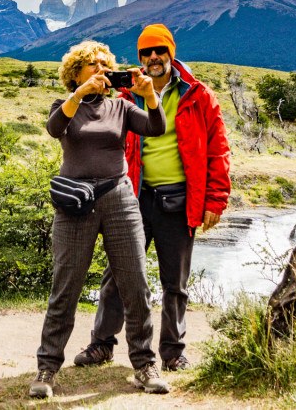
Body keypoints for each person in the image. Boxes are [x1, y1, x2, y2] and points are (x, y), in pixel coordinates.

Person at [74, 24, 231, 372]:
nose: (153, 58)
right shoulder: (128, 96)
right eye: (146, 52)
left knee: (175, 282)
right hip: (133, 198)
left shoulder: (198, 95)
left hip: (180, 201)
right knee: (118, 275)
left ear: (170, 53)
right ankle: (102, 344)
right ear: (140, 58)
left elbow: (218, 151)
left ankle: (173, 352)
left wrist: (214, 201)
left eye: (159, 50)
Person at [30, 40, 170, 399]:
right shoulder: (65, 105)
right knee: (66, 285)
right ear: (74, 72)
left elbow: (155, 128)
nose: (98, 69)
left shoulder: (121, 107)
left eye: (103, 64)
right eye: (90, 64)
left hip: (119, 198)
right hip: (75, 203)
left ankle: (144, 364)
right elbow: (54, 127)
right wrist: (79, 94)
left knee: (135, 282)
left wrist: (150, 95)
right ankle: (47, 368)